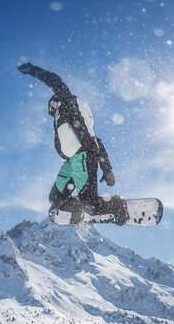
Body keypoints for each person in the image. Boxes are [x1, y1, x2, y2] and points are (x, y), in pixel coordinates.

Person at [18, 62, 128, 225]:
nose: (52, 113)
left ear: (55, 103)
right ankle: (77, 210)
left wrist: (34, 70)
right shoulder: (65, 120)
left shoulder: (68, 104)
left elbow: (55, 81)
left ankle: (118, 206)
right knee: (55, 198)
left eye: (52, 109)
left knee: (90, 205)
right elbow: (98, 142)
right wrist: (106, 169)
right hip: (72, 161)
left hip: (83, 154)